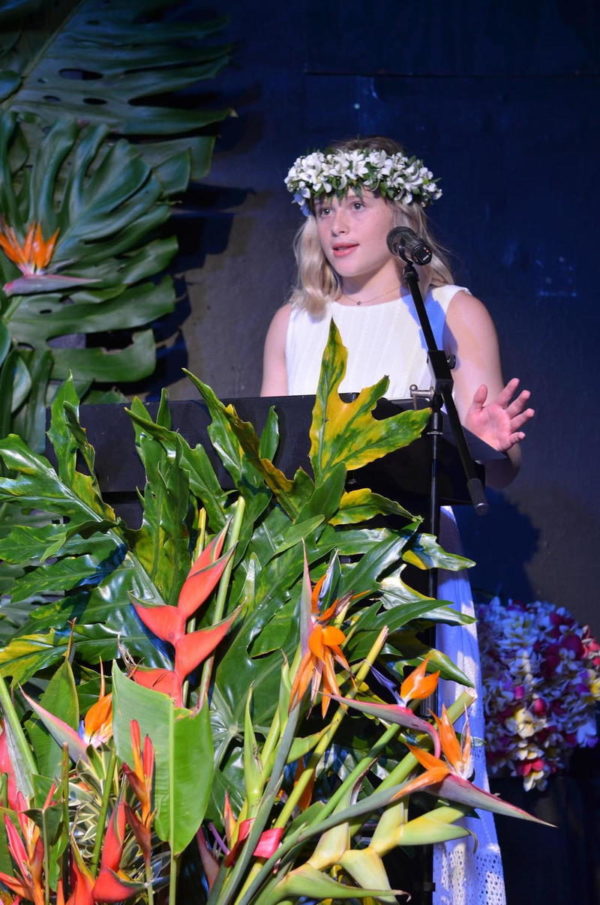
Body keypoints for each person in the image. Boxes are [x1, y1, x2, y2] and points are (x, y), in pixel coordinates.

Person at [261, 137, 535, 905]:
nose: (337, 224)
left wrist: (492, 444)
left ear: (401, 211)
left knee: (418, 771)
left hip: (416, 573)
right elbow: (268, 463)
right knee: (314, 771)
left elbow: (495, 463)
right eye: (324, 208)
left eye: (357, 204)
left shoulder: (450, 311)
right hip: (316, 576)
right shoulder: (293, 324)